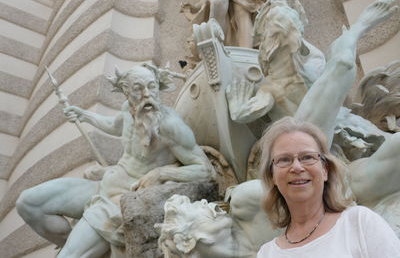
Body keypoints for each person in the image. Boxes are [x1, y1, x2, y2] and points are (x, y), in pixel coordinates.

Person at [16, 63, 215, 258]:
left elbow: (205, 170)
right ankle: (80, 244)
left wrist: (161, 173)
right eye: (138, 89)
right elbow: (114, 125)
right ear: (126, 92)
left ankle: (80, 245)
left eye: (152, 87)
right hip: (106, 185)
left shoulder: (170, 125)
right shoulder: (129, 110)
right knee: (29, 203)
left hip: (125, 199)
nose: (147, 94)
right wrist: (84, 115)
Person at [256, 116, 400, 257]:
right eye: (284, 160)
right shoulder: (267, 253)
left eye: (307, 157)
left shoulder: (359, 223)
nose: (297, 167)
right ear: (272, 176)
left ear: (325, 170)